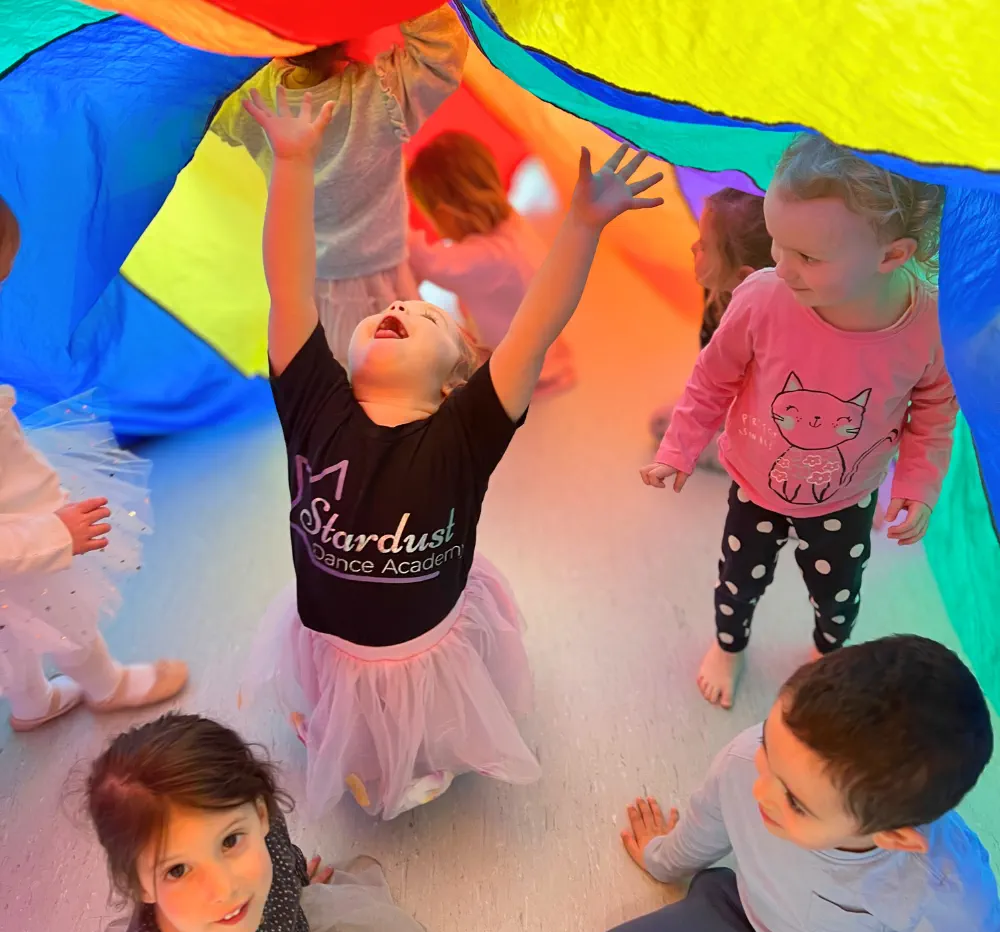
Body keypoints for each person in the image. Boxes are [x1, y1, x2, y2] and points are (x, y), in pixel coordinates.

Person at [240, 87, 663, 819]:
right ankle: (351, 741)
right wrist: (295, 163)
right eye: (389, 309)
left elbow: (533, 326)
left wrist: (581, 226)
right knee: (349, 717)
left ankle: (421, 759)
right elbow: (288, 285)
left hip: (424, 644)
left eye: (425, 315)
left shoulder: (466, 433)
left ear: (453, 381)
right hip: (334, 637)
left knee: (421, 727)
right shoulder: (311, 400)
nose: (399, 306)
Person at [640, 134, 958, 709]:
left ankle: (827, 656)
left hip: (846, 499)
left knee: (838, 596)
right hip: (755, 484)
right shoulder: (762, 297)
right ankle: (729, 646)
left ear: (892, 256)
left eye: (807, 257)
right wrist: (681, 445)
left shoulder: (927, 325)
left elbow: (934, 410)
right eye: (777, 244)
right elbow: (713, 377)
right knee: (738, 579)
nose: (782, 268)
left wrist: (917, 484)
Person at [586, 635, 1000, 932]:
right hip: (742, 931)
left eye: (797, 803)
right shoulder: (742, 761)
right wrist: (661, 859)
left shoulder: (946, 883)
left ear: (894, 837)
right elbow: (704, 825)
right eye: (768, 748)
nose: (760, 791)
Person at [73, 713, 437, 932]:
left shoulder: (267, 835)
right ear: (139, 887)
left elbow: (279, 856)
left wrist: (294, 881)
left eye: (230, 841)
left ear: (261, 814)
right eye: (178, 869)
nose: (224, 888)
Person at [0, 194, 187, 731]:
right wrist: (53, 535)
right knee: (64, 614)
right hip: (27, 535)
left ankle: (31, 704)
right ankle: (108, 686)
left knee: (12, 632)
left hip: (21, 511)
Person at [210, 6, 468, 364]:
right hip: (384, 267)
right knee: (408, 359)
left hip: (315, 279)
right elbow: (442, 54)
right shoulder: (383, 95)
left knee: (350, 368)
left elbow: (192, 98)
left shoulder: (251, 104)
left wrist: (226, 31)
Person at [406, 131, 575, 396]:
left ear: (445, 215)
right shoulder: (510, 224)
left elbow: (429, 262)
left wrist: (396, 223)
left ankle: (542, 381)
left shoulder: (486, 258)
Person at [648, 188, 775, 465]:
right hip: (739, 404)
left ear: (744, 276)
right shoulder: (718, 294)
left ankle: (736, 456)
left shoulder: (773, 329)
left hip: (772, 421)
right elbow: (713, 372)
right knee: (668, 424)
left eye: (704, 246)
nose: (693, 247)